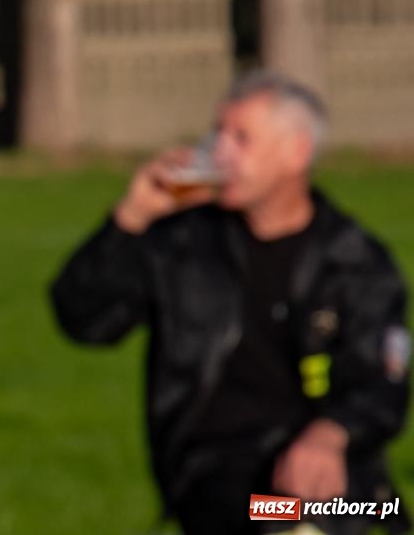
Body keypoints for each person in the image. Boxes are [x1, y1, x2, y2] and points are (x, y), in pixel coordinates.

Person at [50, 70, 410, 535]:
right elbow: (85, 319)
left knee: (374, 515)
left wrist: (328, 436)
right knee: (287, 520)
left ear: (295, 152)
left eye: (242, 139)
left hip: (334, 480)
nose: (221, 152)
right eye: (218, 134)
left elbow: (382, 386)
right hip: (223, 484)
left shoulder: (355, 263)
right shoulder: (184, 245)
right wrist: (132, 216)